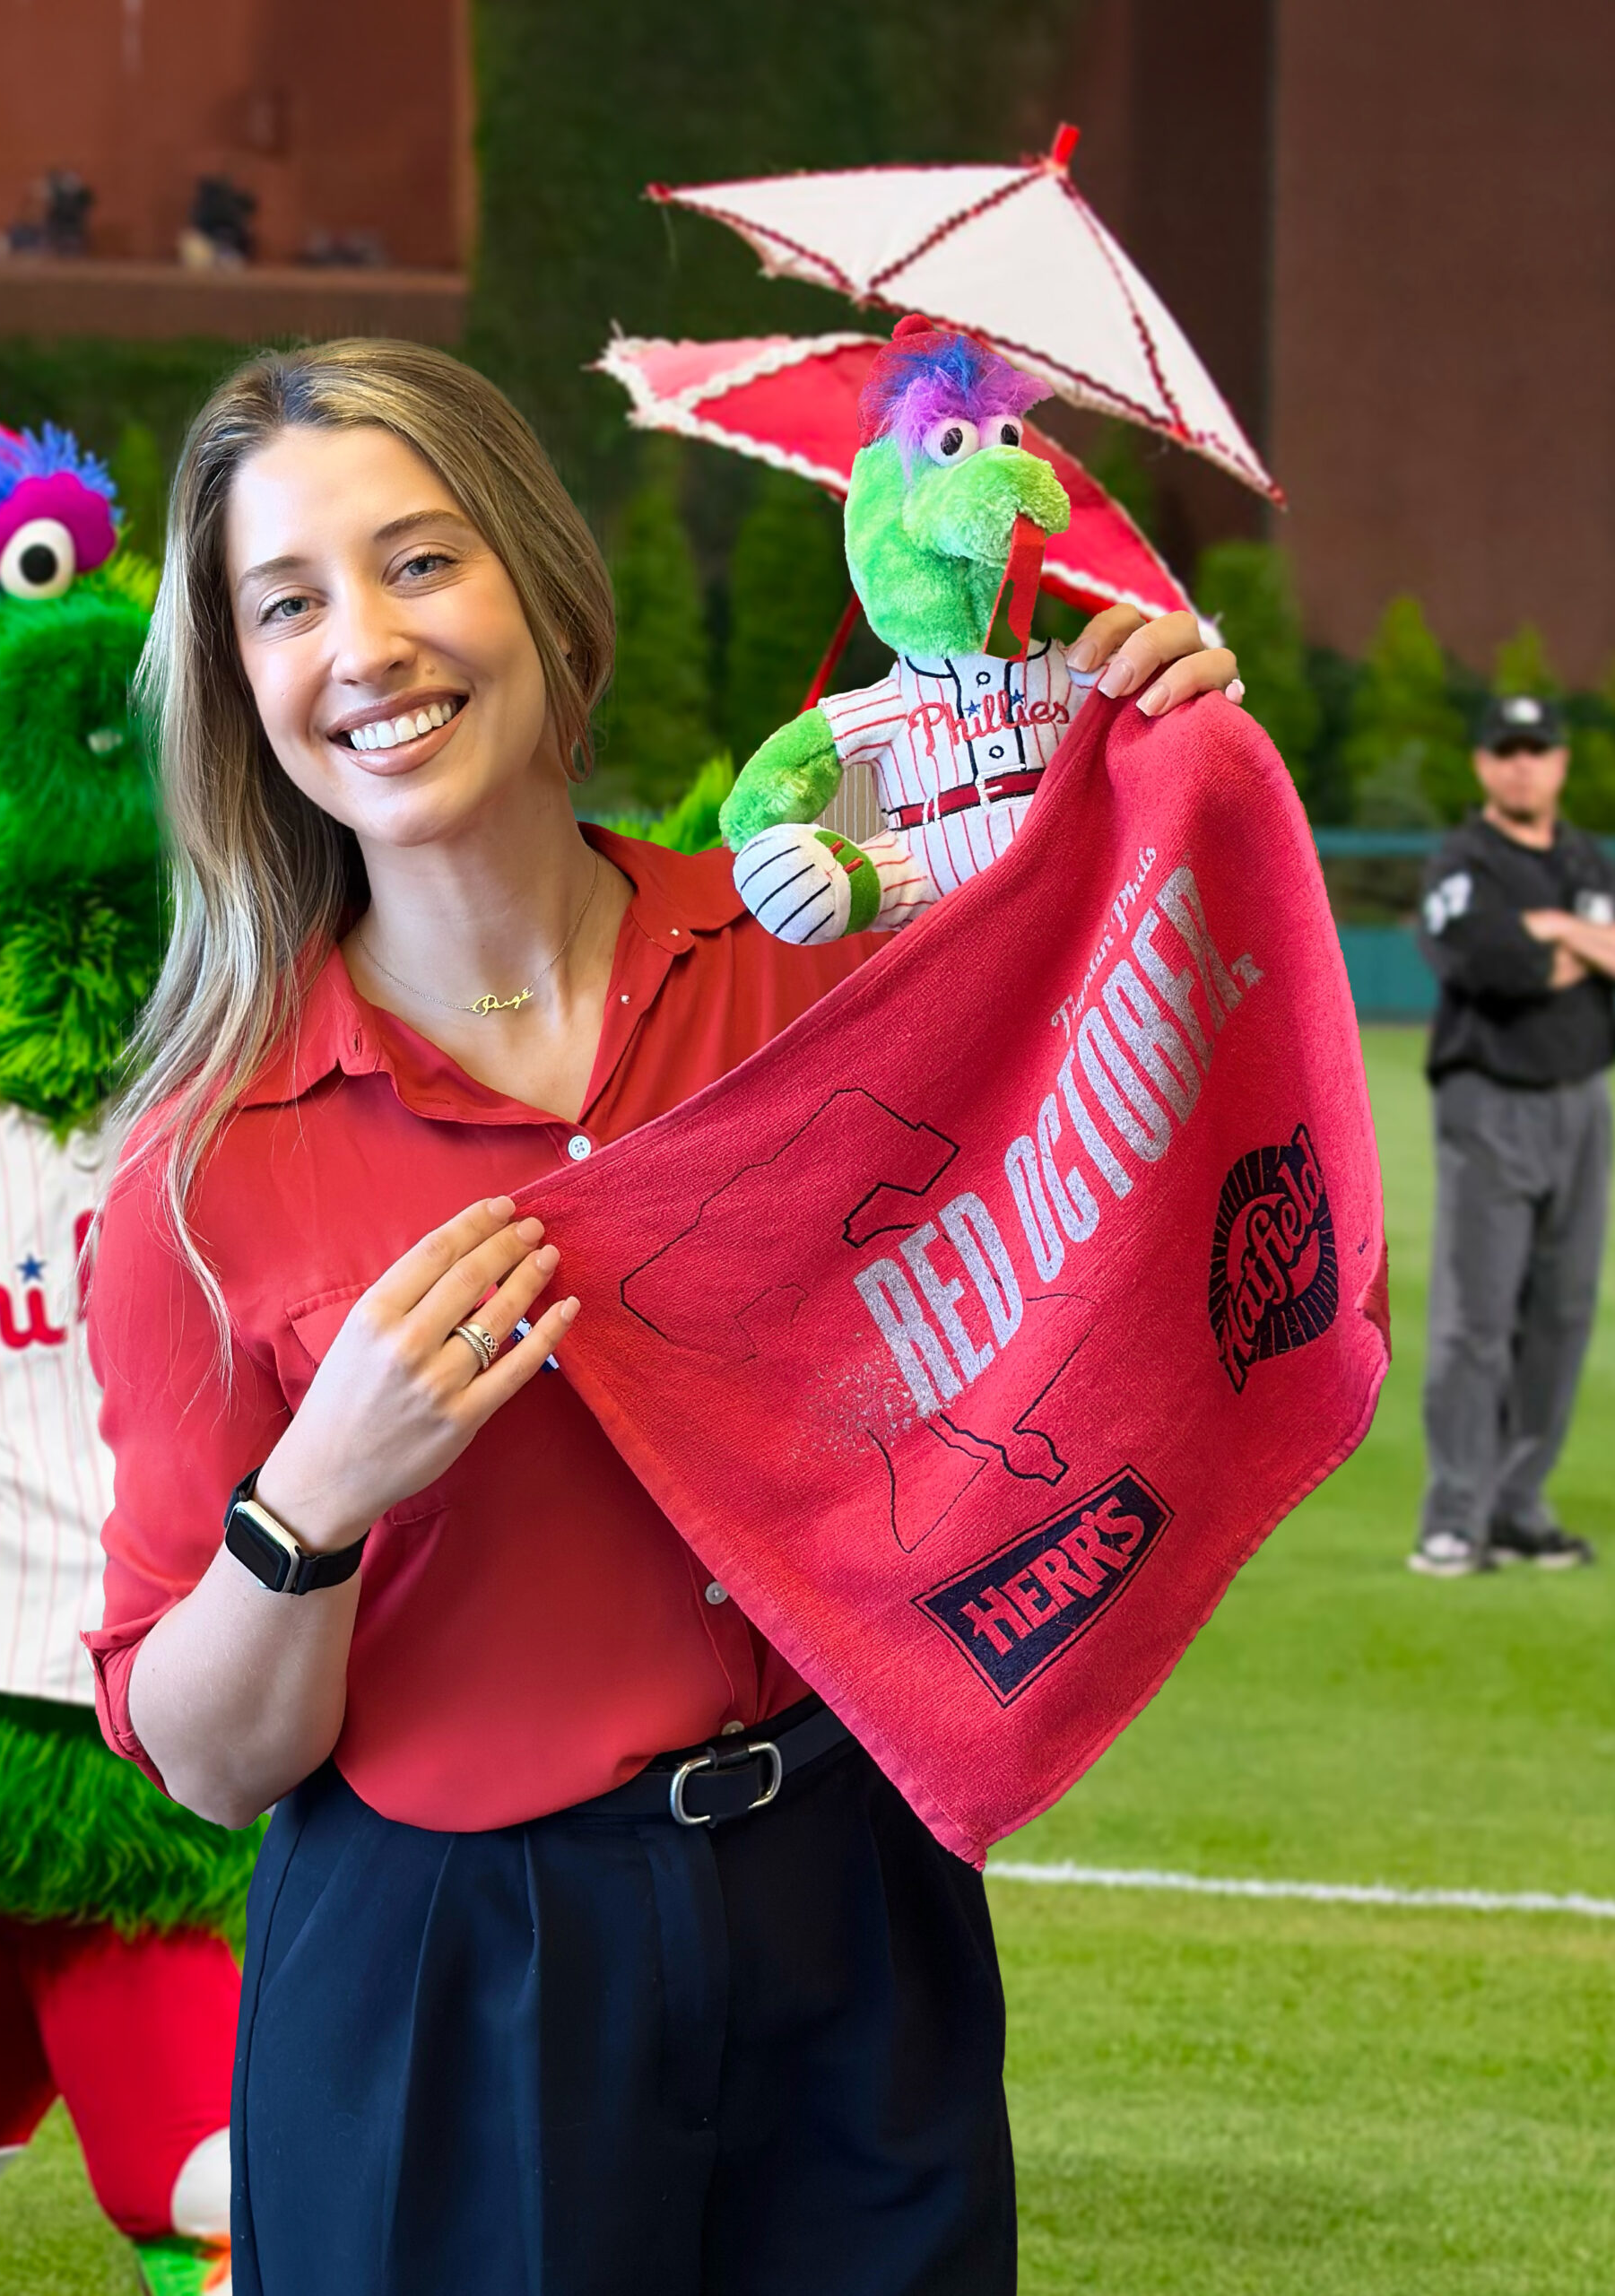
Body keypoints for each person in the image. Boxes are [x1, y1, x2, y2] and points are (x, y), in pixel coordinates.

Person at [83, 338, 1240, 2295]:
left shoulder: (822, 967)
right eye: (285, 603)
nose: (363, 643)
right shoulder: (202, 1175)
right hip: (460, 1966)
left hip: (855, 1891)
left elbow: (1144, 1132)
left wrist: (1167, 754)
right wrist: (316, 1495)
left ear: (540, 584)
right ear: (237, 688)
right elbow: (206, 1753)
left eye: (419, 560)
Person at [1411, 691, 1613, 1575]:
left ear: (1561, 762)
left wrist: (1553, 929)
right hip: (1489, 1101)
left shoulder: (1583, 862)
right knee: (1477, 1317)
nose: (1522, 763)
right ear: (1483, 764)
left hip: (1581, 1103)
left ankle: (1516, 1506)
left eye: (1537, 749)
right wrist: (1572, 946)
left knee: (1562, 1315)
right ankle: (1451, 1518)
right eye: (1507, 749)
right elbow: (1474, 958)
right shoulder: (1465, 858)